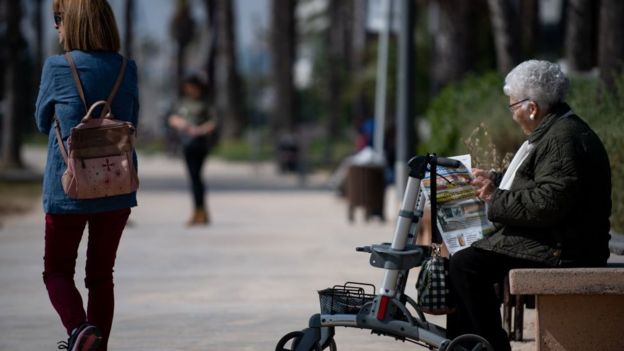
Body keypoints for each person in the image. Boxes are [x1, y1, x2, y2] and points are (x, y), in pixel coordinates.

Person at [447, 60, 611, 350]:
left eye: (513, 107)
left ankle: (489, 347)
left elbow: (547, 203)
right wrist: (495, 180)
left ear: (531, 108)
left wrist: (493, 197)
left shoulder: (562, 140)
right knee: (465, 256)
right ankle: (467, 345)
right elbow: (539, 183)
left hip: (564, 247)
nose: (512, 114)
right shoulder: (559, 129)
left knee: (466, 266)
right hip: (558, 238)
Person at [34, 0, 139, 350]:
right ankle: (97, 346)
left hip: (68, 189)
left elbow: (39, 121)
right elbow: (132, 118)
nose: (55, 26)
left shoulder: (57, 67)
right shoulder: (127, 67)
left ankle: (80, 331)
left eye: (57, 18)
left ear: (73, 22)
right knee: (100, 276)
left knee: (58, 270)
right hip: (117, 184)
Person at [168, 75, 218, 225]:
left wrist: (200, 130)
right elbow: (172, 118)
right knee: (194, 177)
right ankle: (199, 211)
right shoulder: (183, 102)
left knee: (196, 177)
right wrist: (181, 124)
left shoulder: (205, 103)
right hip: (186, 143)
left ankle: (200, 211)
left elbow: (213, 122)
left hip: (200, 143)